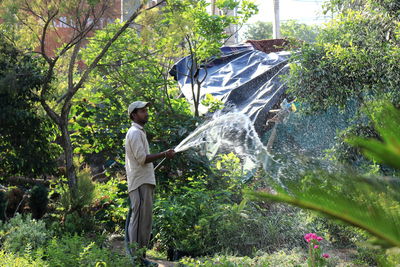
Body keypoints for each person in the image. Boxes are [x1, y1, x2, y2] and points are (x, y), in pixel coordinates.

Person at [125, 101, 175, 266]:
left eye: (146, 110)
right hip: (140, 182)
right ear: (133, 115)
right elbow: (142, 159)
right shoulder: (134, 133)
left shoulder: (139, 132)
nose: (146, 113)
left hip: (143, 181)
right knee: (139, 221)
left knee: (145, 221)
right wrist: (163, 154)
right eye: (142, 111)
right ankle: (137, 259)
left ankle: (141, 257)